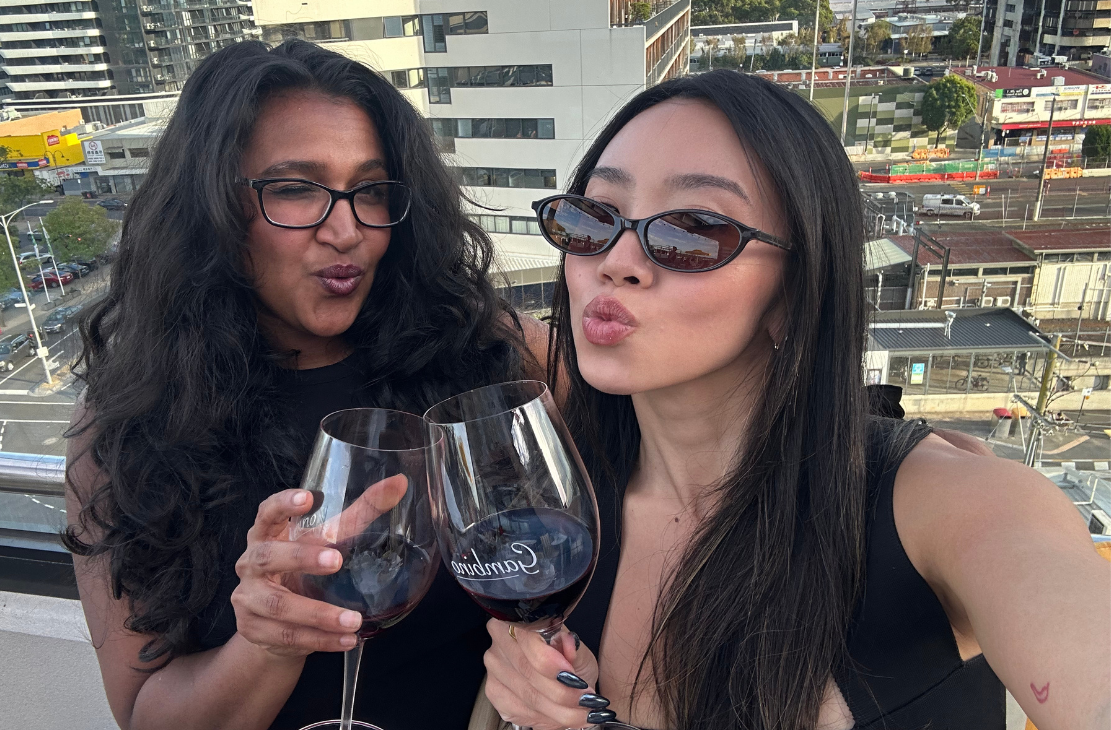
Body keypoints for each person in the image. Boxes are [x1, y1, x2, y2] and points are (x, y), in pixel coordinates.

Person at [481, 71, 1110, 730]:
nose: (615, 261)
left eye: (692, 233)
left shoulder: (943, 506)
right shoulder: (567, 505)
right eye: (592, 218)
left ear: (795, 289)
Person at [64, 40, 544, 730]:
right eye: (295, 189)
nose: (347, 231)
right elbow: (146, 715)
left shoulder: (483, 350)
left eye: (371, 190)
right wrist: (267, 641)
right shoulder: (129, 423)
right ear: (211, 208)